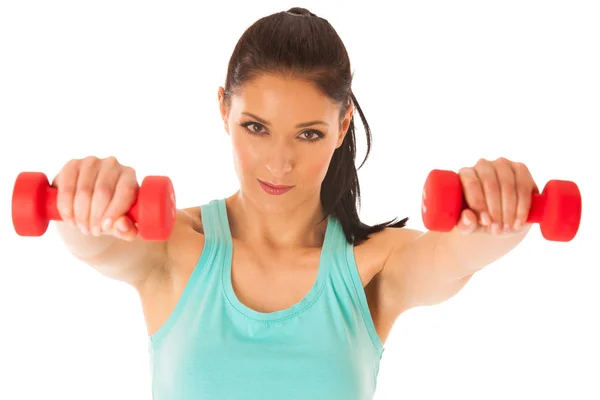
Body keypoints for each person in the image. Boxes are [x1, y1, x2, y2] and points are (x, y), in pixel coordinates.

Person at [52, 7, 538, 400]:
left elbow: (457, 255)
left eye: (309, 134)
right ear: (224, 110)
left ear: (342, 126)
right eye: (256, 127)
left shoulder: (374, 265)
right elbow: (95, 244)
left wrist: (503, 213)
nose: (279, 163)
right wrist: (83, 199)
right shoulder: (171, 247)